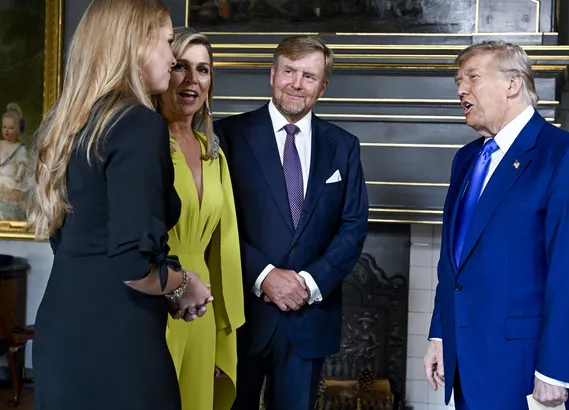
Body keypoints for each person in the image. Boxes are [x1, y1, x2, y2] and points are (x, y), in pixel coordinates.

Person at [27, 1, 213, 409]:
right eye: (166, 42)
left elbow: (80, 242)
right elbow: (132, 263)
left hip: (62, 332)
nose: (172, 58)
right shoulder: (138, 123)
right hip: (117, 342)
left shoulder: (75, 122)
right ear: (136, 43)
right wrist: (185, 285)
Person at [423, 40, 569, 410]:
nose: (461, 90)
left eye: (473, 77)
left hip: (526, 369)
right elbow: (453, 262)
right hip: (466, 363)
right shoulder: (466, 158)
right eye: (458, 81)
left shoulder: (567, 156)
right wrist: (440, 334)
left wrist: (556, 369)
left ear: (513, 83)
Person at [214, 35, 369, 410]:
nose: (297, 84)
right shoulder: (227, 136)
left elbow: (352, 228)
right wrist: (265, 275)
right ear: (272, 74)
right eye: (289, 72)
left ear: (323, 87)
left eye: (309, 76)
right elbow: (217, 222)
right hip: (242, 315)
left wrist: (308, 283)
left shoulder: (344, 145)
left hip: (309, 318)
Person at [156, 26, 246, 410]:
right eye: (181, 66)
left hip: (202, 309)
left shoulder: (214, 154)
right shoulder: (145, 145)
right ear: (162, 71)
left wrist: (223, 335)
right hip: (154, 299)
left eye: (203, 70)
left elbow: (225, 248)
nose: (193, 79)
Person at [0, 103, 30, 220]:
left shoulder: (19, 148)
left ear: (19, 130)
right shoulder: (1, 144)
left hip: (10, 180)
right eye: (4, 127)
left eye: (11, 128)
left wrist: (18, 176)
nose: (7, 131)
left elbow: (22, 164)